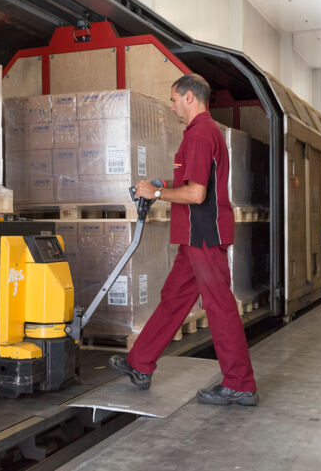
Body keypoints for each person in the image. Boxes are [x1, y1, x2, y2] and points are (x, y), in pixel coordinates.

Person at [109, 74, 258, 406]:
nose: (172, 105)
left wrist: (158, 193)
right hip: (194, 237)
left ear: (190, 98)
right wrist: (160, 182)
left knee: (219, 308)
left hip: (204, 236)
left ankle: (241, 383)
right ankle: (140, 364)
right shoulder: (198, 134)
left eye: (174, 98)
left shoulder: (202, 135)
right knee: (173, 300)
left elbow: (196, 192)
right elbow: (189, 179)